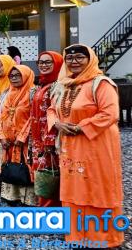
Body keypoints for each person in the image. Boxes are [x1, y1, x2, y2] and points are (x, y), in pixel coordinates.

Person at [47, 44, 124, 248]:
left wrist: (81, 127)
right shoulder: (64, 84)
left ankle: (103, 237)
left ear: (90, 59)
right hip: (69, 145)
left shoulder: (101, 83)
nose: (73, 61)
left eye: (79, 57)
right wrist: (57, 123)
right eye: (69, 58)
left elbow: (110, 113)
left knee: (96, 184)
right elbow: (51, 109)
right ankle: (76, 234)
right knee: (73, 185)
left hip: (96, 144)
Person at [29, 51, 64, 207]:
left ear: (57, 63)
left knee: (50, 172)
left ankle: (49, 211)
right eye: (41, 62)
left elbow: (55, 113)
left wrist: (49, 140)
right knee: (42, 173)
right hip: (38, 138)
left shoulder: (58, 86)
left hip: (49, 139)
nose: (43, 65)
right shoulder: (42, 84)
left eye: (48, 62)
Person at [0, 65, 35, 206]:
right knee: (11, 166)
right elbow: (0, 117)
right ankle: (13, 197)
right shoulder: (6, 94)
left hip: (26, 141)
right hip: (8, 141)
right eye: (11, 76)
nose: (14, 78)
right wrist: (1, 137)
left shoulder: (33, 93)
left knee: (26, 167)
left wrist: (22, 137)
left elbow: (34, 117)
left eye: (17, 75)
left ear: (25, 75)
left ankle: (28, 200)